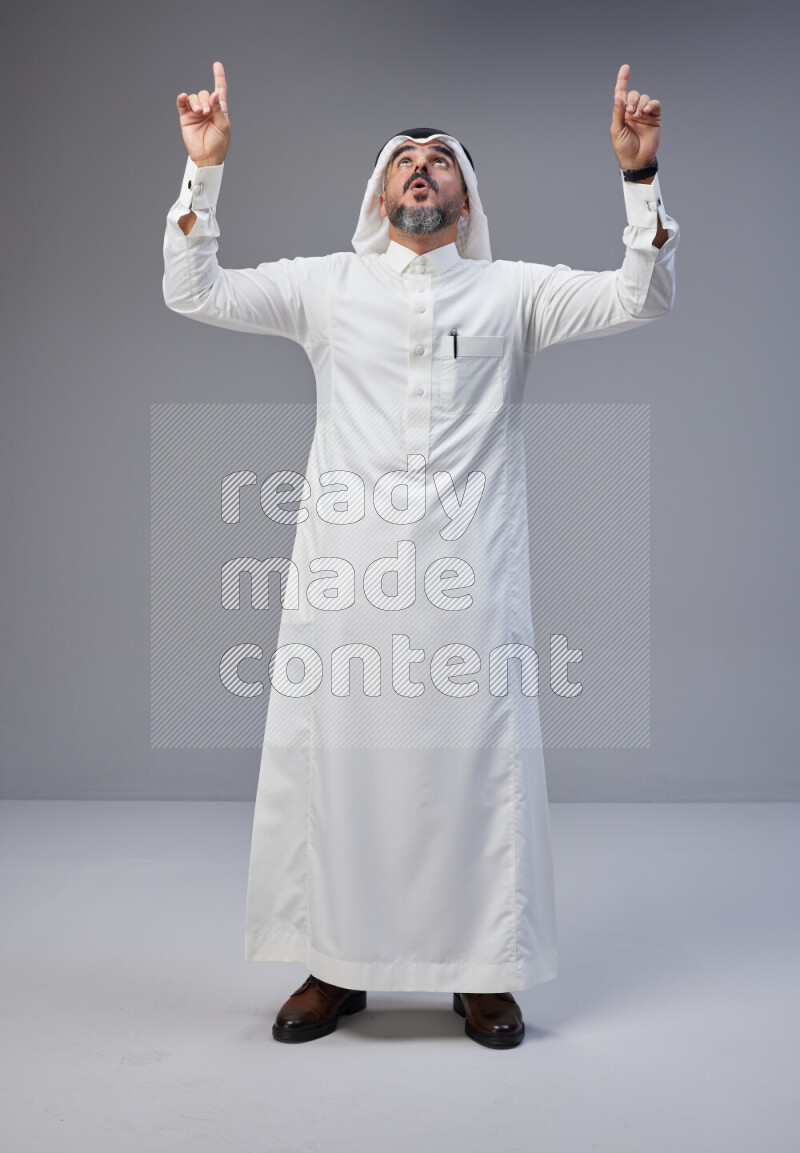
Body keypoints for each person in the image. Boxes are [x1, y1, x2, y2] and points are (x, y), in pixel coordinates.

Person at [163, 62, 679, 1050]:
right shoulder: (327, 287)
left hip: (469, 581)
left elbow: (640, 295)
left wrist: (637, 180)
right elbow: (194, 289)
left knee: (472, 769)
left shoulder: (509, 294)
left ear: (466, 199)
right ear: (376, 193)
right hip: (344, 579)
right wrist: (204, 174)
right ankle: (333, 965)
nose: (421, 170)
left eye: (440, 163)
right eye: (403, 160)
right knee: (342, 768)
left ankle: (482, 972)